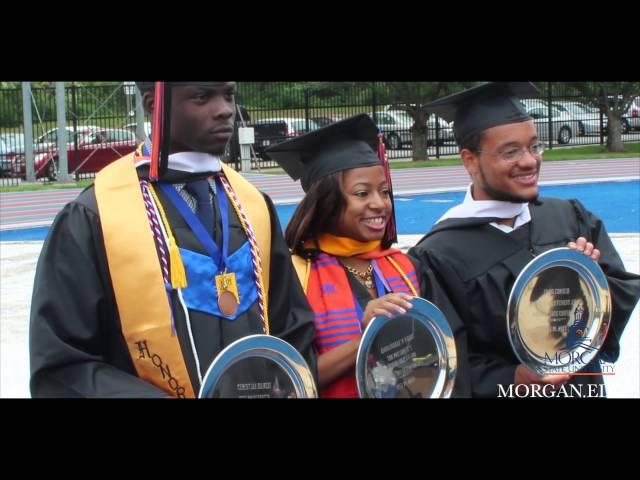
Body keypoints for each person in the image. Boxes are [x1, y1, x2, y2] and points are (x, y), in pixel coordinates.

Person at [29, 81, 317, 398]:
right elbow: (63, 367)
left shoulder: (253, 207)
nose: (224, 110)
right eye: (203, 96)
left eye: (229, 95)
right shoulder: (95, 216)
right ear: (155, 105)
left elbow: (291, 326)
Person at [409, 82, 640, 398]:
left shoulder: (569, 217)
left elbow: (620, 296)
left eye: (534, 146)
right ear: (470, 160)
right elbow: (441, 361)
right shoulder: (439, 254)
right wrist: (508, 378)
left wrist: (593, 283)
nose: (530, 161)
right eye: (510, 151)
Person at [265, 114, 470, 398]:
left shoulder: (406, 267)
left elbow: (447, 353)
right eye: (362, 193)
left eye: (384, 192)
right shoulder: (297, 275)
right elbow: (288, 378)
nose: (379, 204)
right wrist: (370, 338)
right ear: (327, 201)